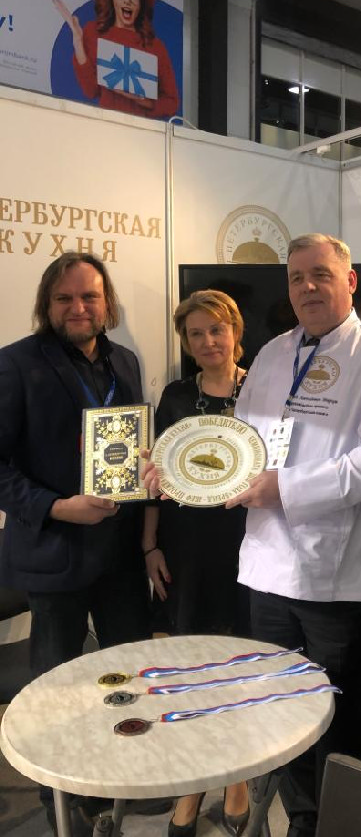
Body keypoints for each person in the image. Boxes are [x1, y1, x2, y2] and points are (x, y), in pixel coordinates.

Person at [227, 233, 361, 837]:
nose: (307, 287)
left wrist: (286, 488)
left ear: (350, 280)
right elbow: (239, 442)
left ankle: (345, 827)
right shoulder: (271, 354)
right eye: (296, 277)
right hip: (267, 566)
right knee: (282, 713)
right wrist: (184, 470)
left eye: (320, 274)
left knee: (338, 718)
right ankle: (303, 822)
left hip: (334, 578)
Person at [0, 252, 163, 834]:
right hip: (55, 553)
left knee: (128, 674)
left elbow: (133, 445)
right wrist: (57, 506)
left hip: (119, 555)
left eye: (90, 296)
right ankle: (63, 801)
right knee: (58, 689)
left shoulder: (125, 361)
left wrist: (150, 467)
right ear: (47, 304)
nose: (78, 307)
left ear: (107, 302)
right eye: (65, 298)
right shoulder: (16, 363)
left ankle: (123, 779)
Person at [144, 290, 250, 837]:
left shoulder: (264, 388)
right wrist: (150, 546)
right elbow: (157, 478)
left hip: (250, 543)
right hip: (186, 545)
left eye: (216, 329)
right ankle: (193, 780)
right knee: (193, 663)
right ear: (186, 343)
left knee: (239, 661)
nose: (208, 341)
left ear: (235, 331)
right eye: (195, 334)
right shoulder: (176, 396)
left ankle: (237, 777)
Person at [53, 0, 179, 120]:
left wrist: (143, 101)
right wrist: (78, 42)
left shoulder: (155, 47)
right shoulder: (94, 32)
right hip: (105, 124)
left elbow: (172, 102)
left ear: (141, 2)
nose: (127, 0)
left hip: (142, 130)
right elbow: (90, 91)